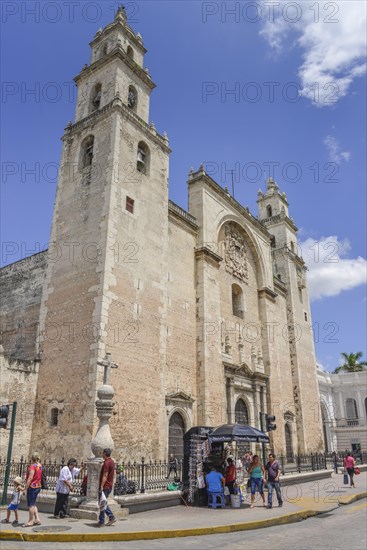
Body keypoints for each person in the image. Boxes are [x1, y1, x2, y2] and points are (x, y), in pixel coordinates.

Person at [96, 448, 116, 527]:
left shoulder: (107, 463)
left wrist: (101, 486)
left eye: (103, 453)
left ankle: (111, 516)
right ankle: (101, 520)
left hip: (105, 486)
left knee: (102, 502)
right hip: (109, 485)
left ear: (105, 454)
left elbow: (105, 475)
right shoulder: (111, 462)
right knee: (102, 502)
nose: (102, 454)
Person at [22, 452, 42, 527]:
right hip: (38, 486)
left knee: (31, 505)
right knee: (33, 504)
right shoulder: (40, 465)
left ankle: (30, 521)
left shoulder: (32, 466)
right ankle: (37, 519)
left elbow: (30, 478)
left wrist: (25, 488)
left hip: (32, 487)